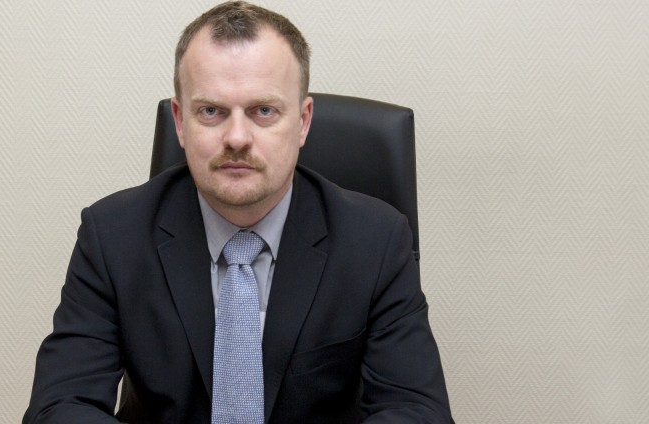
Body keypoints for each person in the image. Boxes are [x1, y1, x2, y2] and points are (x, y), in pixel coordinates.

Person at [23, 1, 453, 422]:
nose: (237, 138)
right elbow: (59, 406)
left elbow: (417, 410)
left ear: (303, 121)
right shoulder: (112, 235)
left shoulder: (375, 241)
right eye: (211, 111)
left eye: (263, 111)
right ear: (180, 121)